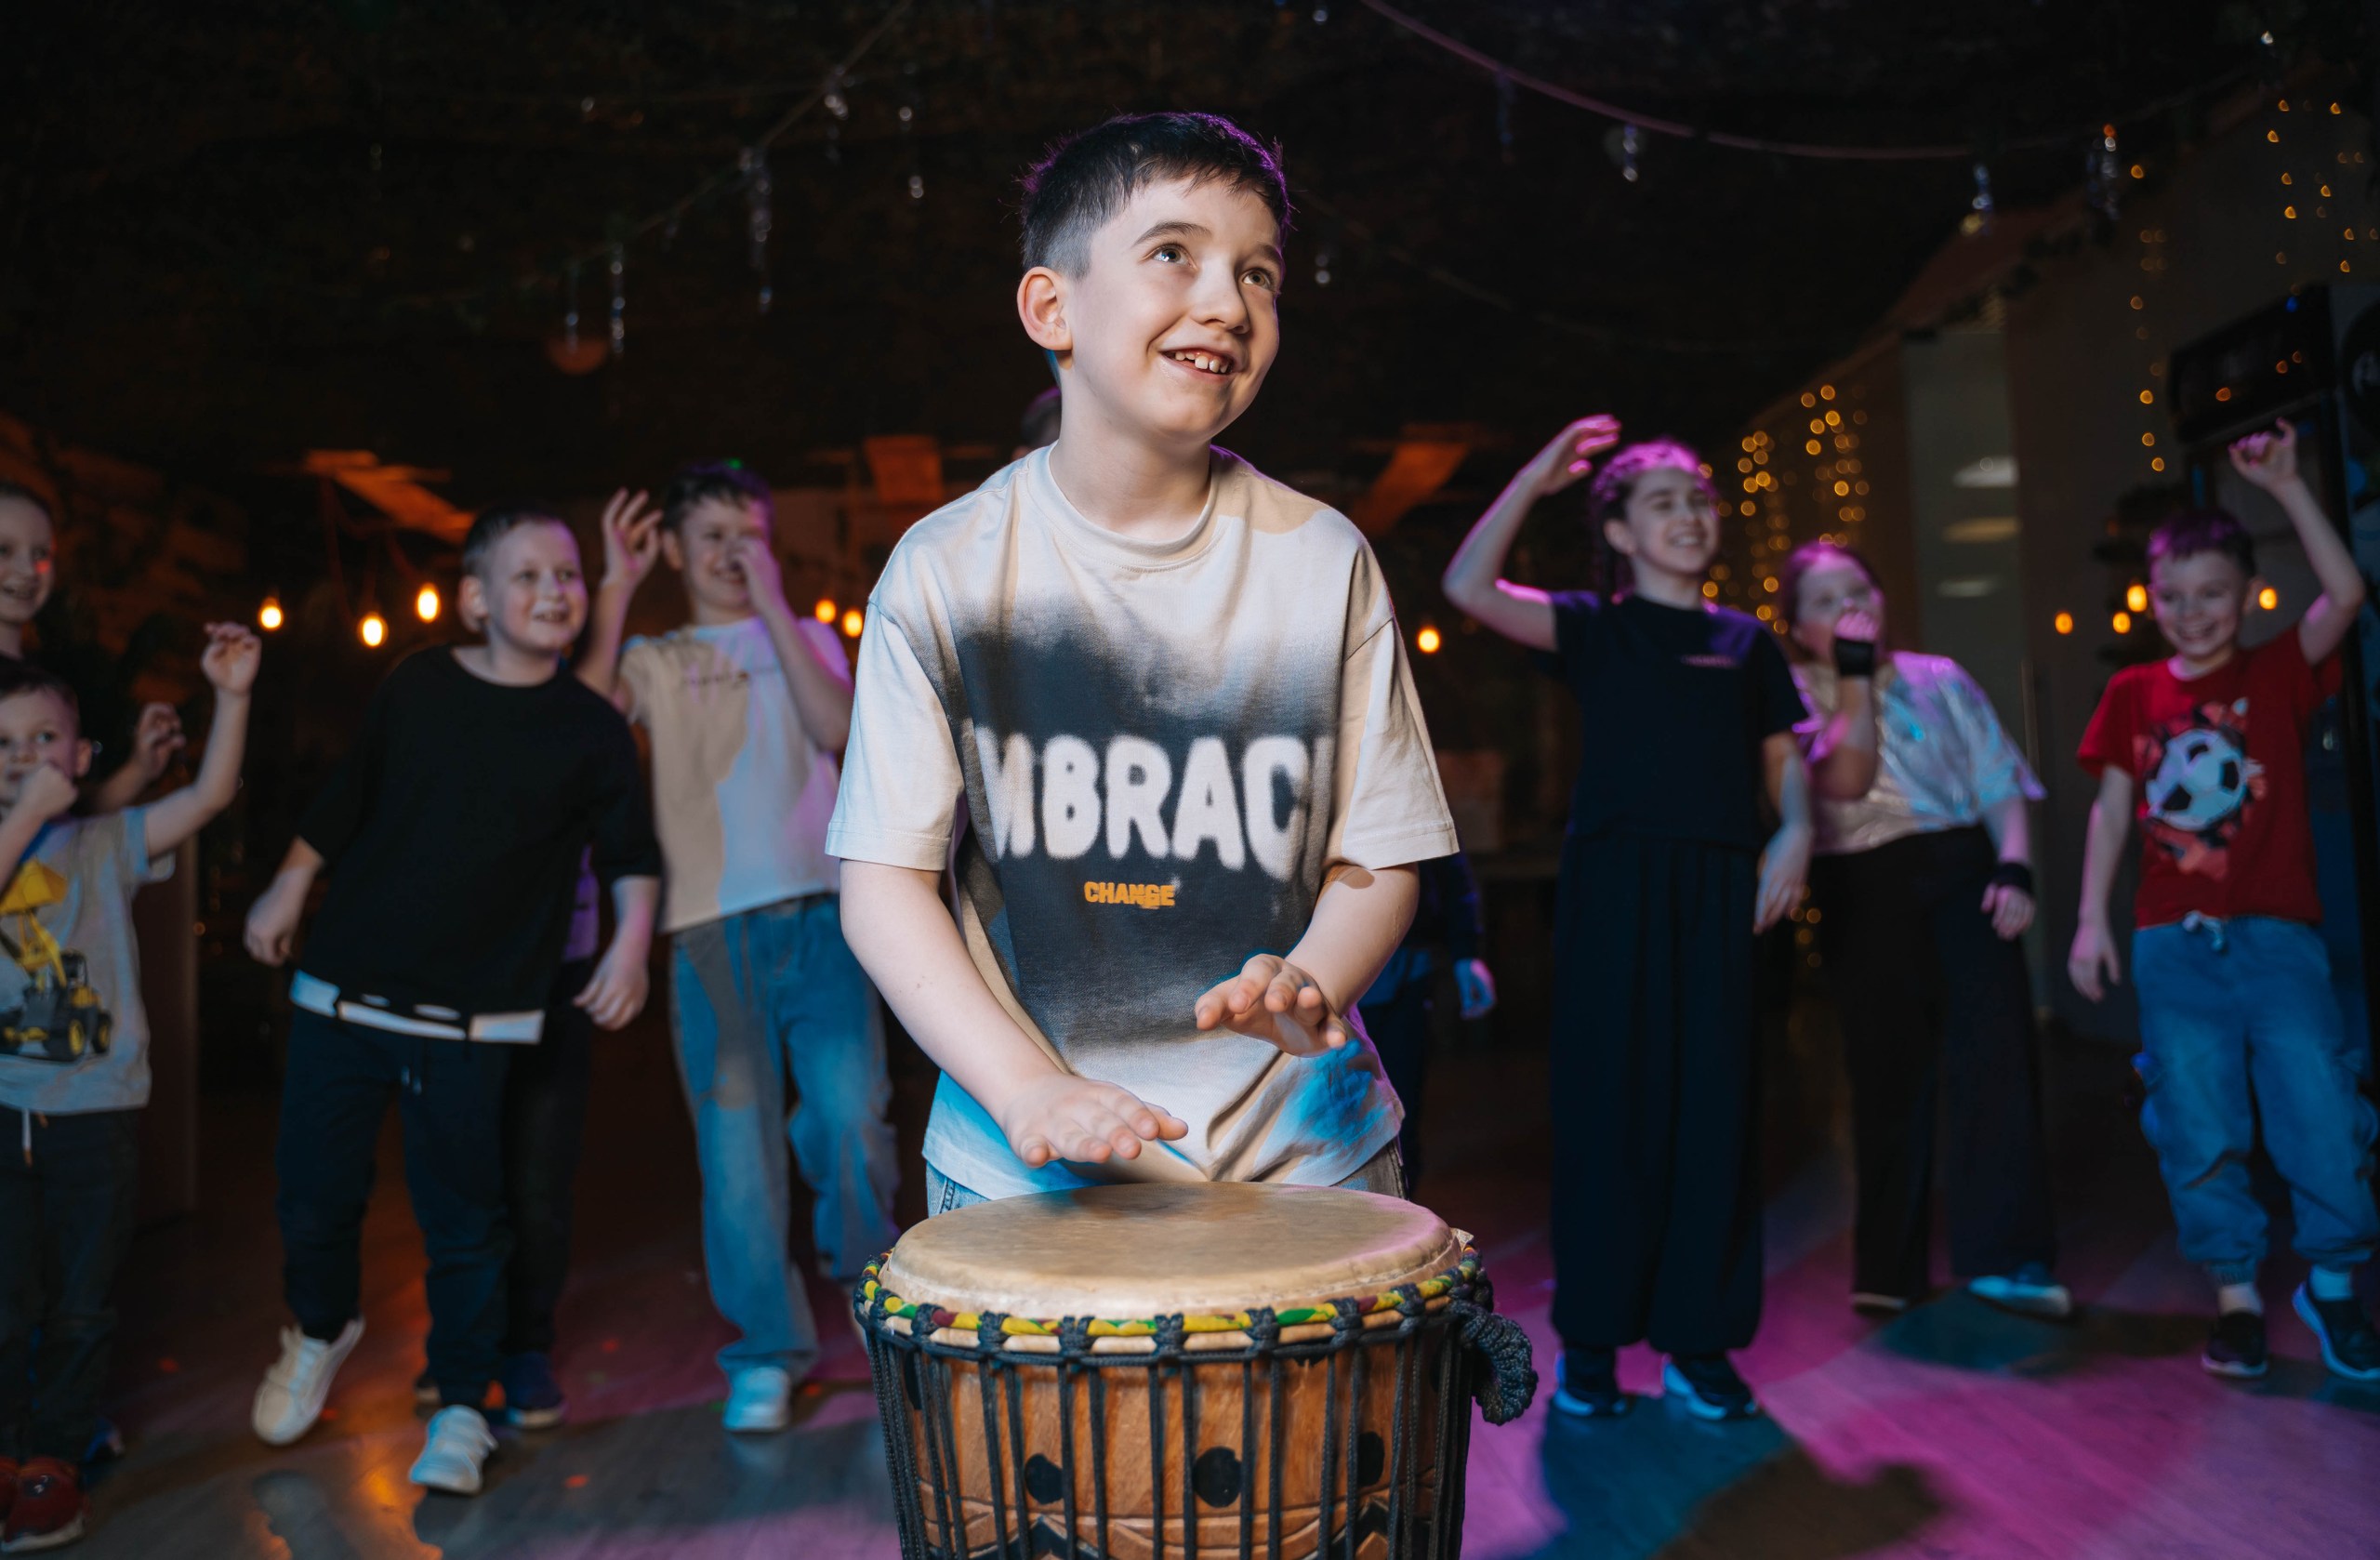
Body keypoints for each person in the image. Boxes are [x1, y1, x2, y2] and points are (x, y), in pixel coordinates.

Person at [828, 113, 1455, 1223]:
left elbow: (1382, 854)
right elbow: (884, 885)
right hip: (1019, 1165)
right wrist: (1024, 1090)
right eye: (1174, 253)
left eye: (1258, 274)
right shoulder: (944, 570)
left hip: (1307, 1155)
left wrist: (1315, 975)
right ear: (1050, 308)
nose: (1228, 303)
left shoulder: (1323, 560)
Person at [242, 507, 662, 1494]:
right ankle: (320, 1327)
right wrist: (289, 883)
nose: (555, 591)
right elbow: (349, 794)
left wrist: (631, 946)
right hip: (344, 996)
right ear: (476, 599)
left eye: (567, 574)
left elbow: (630, 855)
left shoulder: (592, 728)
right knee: (312, 1197)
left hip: (479, 1020)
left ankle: (465, 1405)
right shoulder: (419, 685)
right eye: (529, 576)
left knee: (467, 1219)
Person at [1443, 415, 1812, 1422]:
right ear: (1618, 531)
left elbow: (1785, 762)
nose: (1689, 515)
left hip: (1721, 888)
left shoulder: (1746, 642)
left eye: (1698, 499)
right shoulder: (1593, 626)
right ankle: (1594, 1344)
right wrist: (1536, 474)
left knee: (1715, 1114)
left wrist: (1795, 834)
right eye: (1662, 502)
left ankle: (1700, 1342)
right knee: (1608, 1114)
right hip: (1613, 887)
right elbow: (1468, 587)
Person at [578, 462, 896, 1435]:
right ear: (675, 551)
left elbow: (838, 728)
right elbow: (580, 727)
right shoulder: (655, 657)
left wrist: (774, 607)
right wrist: (615, 586)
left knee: (851, 1122)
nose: (730, 552)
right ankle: (765, 1350)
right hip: (709, 933)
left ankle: (871, 1297)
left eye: (747, 533)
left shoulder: (807, 637)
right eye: (710, 536)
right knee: (736, 1158)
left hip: (824, 918)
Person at [2070, 422, 2380, 1383]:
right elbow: (2110, 810)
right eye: (2173, 596)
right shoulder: (2132, 692)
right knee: (2198, 1122)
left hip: (2279, 940)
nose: (2192, 613)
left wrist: (2285, 486)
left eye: (2212, 594)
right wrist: (2087, 919)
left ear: (2246, 596)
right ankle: (2236, 1299)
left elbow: (2347, 594)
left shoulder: (2276, 672)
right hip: (2173, 946)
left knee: (2318, 1107)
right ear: (2150, 598)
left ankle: (2333, 1288)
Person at [0, 626, 260, 1553]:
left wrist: (231, 695)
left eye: (43, 740)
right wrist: (25, 814)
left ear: (81, 759)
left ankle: (53, 1464)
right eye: (2, 743)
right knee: (5, 1299)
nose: (22, 757)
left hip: (96, 1111)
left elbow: (210, 796)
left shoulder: (109, 842)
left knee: (79, 1301)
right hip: (2, 1112)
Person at [1778, 541, 2068, 1320]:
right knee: (1885, 1072)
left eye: (1858, 588)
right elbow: (1837, 778)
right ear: (1797, 626)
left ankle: (2007, 1257)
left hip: (1961, 865)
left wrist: (2014, 867)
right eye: (1824, 599)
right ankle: (1889, 1266)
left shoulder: (1939, 675)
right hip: (1861, 881)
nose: (1847, 606)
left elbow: (1998, 776)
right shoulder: (1794, 690)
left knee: (1995, 1056)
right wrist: (1851, 675)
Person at [0, 483, 191, 813]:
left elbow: (61, 821)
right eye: (3, 549)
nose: (28, 570)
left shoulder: (43, 681)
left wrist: (138, 771)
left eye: (41, 554)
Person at [1354, 852, 1495, 1189]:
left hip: (1404, 967)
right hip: (1320, 972)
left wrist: (1466, 953)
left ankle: (1402, 1209)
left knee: (1401, 1117)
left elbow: (1447, 857)